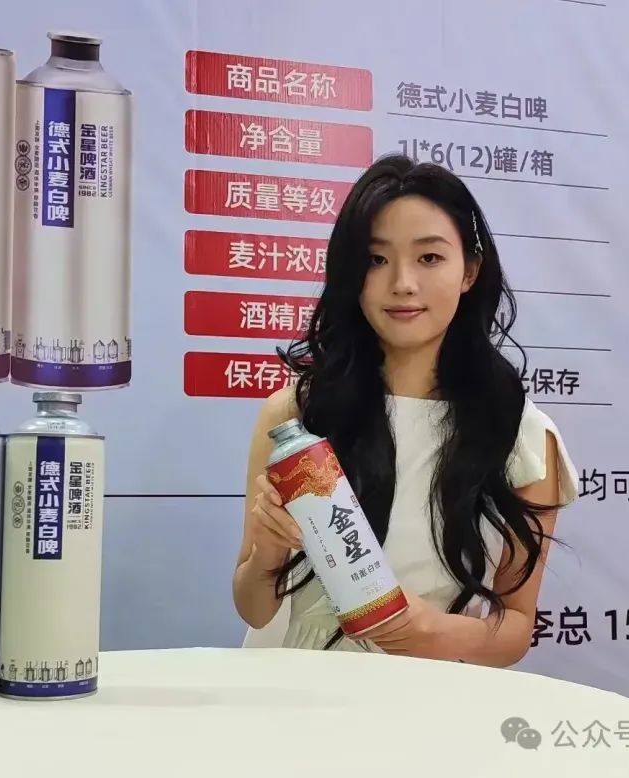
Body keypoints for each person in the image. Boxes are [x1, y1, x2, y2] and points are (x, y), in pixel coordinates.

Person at [231, 154, 579, 667]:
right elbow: (254, 610)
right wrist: (266, 555)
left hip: (431, 692)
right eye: (376, 259)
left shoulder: (521, 435)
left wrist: (429, 631)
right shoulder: (295, 414)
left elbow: (516, 626)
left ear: (470, 271)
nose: (402, 283)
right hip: (301, 688)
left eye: (430, 257)